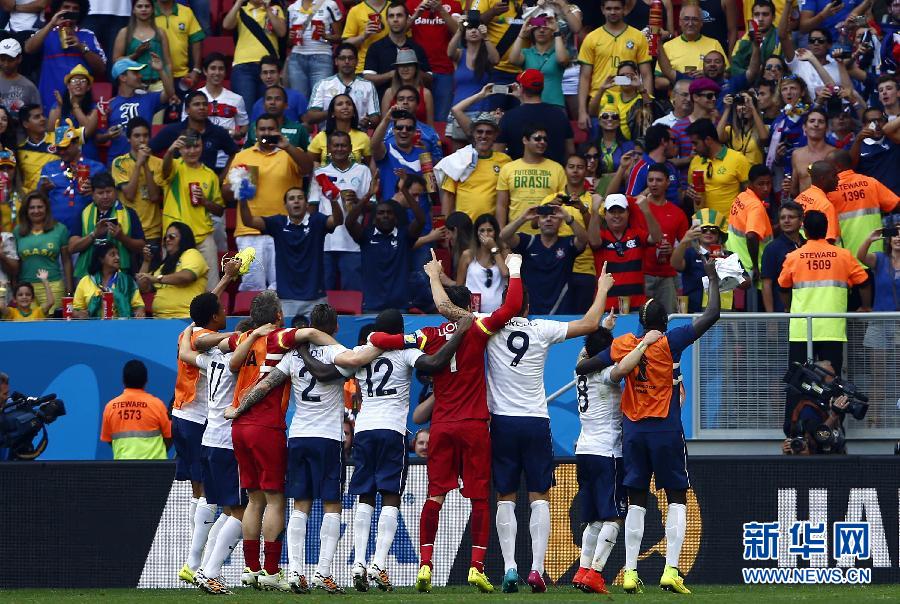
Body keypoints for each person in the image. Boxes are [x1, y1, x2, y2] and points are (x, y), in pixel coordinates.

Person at [367, 252, 524, 595]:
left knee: (435, 496)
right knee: (479, 499)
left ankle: (425, 563)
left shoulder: (428, 335)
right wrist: (514, 270)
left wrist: (374, 340)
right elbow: (513, 306)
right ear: (470, 305)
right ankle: (476, 568)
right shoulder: (478, 327)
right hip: (473, 425)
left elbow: (383, 340)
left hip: (441, 426)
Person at [577, 258, 723, 595]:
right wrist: (713, 280)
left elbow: (585, 367)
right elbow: (712, 314)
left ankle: (630, 572)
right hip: (665, 430)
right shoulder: (671, 342)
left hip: (633, 433)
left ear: (640, 323)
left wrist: (607, 351)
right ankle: (671, 570)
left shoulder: (624, 344)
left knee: (637, 501)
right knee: (676, 498)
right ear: (665, 322)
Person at [232, 303, 379, 593]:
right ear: (336, 327)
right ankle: (322, 572)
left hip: (298, 436)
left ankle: (296, 571)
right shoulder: (337, 351)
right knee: (331, 505)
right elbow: (342, 367)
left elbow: (264, 386)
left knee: (300, 504)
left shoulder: (291, 356)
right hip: (328, 438)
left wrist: (239, 408)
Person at [486, 267, 613, 593]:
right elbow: (590, 323)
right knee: (539, 495)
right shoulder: (541, 328)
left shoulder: (489, 326)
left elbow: (451, 313)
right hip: (535, 421)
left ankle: (509, 567)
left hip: (502, 421)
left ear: (504, 305)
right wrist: (601, 288)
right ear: (528, 307)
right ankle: (537, 570)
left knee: (505, 496)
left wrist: (436, 279)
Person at [222, 292, 339, 591]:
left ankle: (251, 569)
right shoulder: (278, 338)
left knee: (253, 499)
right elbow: (310, 333)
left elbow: (220, 345)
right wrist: (339, 350)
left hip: (239, 427)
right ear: (277, 316)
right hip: (265, 427)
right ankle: (272, 571)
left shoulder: (243, 338)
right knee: (274, 499)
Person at [349, 309, 472, 592]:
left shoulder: (359, 352)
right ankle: (379, 564)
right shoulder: (405, 352)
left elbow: (338, 367)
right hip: (392, 429)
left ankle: (358, 562)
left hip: (364, 429)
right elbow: (435, 362)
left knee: (365, 496)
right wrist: (459, 334)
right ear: (399, 331)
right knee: (391, 496)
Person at [571, 312, 662, 594]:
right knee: (615, 516)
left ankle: (583, 570)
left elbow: (585, 352)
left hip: (584, 451)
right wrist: (644, 344)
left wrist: (603, 329)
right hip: (607, 453)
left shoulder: (579, 371)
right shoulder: (604, 375)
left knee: (595, 518)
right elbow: (621, 369)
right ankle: (596, 573)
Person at [176, 319, 257, 596]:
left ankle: (201, 568)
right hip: (227, 443)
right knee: (241, 511)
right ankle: (209, 572)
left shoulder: (210, 359)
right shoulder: (238, 363)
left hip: (208, 440)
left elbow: (186, 352)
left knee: (223, 509)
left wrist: (189, 329)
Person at [779, 210, 869, 424]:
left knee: (797, 380)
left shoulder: (794, 256)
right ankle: (833, 428)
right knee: (833, 382)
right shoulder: (843, 255)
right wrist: (866, 307)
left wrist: (788, 308)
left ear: (804, 229)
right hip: (832, 329)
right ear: (827, 228)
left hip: (802, 330)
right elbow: (864, 281)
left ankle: (793, 430)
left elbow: (783, 287)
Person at [224, 113, 312, 292]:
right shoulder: (243, 156)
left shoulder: (291, 152)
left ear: (278, 130)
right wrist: (239, 184)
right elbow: (225, 193)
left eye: (271, 129)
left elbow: (307, 168)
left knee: (282, 285)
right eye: (262, 129)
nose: (266, 133)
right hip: (249, 231)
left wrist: (287, 146)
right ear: (255, 132)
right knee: (251, 286)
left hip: (284, 231)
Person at [238, 183, 343, 318]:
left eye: (300, 198)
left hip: (316, 299)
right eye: (292, 198)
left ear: (307, 204)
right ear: (285, 205)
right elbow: (249, 221)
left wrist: (333, 200)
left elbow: (337, 221)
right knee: (287, 333)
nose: (296, 201)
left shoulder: (317, 221)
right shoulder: (278, 223)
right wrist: (242, 199)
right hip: (286, 299)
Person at [344, 170, 425, 312]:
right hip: (372, 307)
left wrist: (404, 190)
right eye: (381, 213)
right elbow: (349, 222)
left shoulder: (404, 236)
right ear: (374, 219)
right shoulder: (366, 236)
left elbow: (421, 220)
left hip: (400, 307)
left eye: (389, 213)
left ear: (396, 218)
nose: (385, 216)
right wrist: (369, 194)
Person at [307, 129, 372, 292]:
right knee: (323, 294)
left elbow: (373, 207)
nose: (339, 149)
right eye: (335, 145)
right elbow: (312, 207)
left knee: (353, 294)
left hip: (352, 243)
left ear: (350, 148)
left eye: (343, 145)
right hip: (325, 243)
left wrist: (358, 200)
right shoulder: (320, 173)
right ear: (329, 148)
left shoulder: (363, 171)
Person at [577, 0, 653, 133]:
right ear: (602, 10)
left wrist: (647, 107)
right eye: (609, 8)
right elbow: (584, 77)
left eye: (617, 8)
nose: (613, 12)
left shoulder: (638, 37)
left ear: (624, 9)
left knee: (632, 145)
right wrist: (582, 111)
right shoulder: (591, 38)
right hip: (600, 101)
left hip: (631, 102)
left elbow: (646, 75)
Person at [160, 131, 224, 289]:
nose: (192, 151)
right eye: (187, 147)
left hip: (203, 237)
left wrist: (205, 201)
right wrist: (170, 150)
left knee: (212, 288)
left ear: (202, 146)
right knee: (173, 287)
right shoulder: (175, 166)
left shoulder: (210, 175)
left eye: (196, 146)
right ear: (180, 149)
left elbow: (219, 210)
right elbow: (165, 171)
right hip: (176, 238)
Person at [500, 203, 588, 314]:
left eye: (553, 216)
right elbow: (504, 236)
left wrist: (568, 217)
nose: (548, 219)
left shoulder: (567, 244)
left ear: (561, 222)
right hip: (532, 313)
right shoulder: (528, 242)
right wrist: (523, 218)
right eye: (544, 216)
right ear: (538, 222)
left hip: (561, 313)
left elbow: (584, 239)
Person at [23, 0, 106, 113]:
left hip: (80, 103)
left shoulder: (88, 35)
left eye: (75, 8)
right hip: (50, 99)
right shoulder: (47, 33)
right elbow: (28, 48)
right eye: (66, 7)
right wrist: (51, 24)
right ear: (58, 10)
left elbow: (101, 69)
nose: (70, 11)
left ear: (80, 12)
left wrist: (82, 48)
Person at [628, 163, 689, 315]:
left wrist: (673, 250)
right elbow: (609, 203)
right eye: (650, 180)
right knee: (639, 319)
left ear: (668, 182)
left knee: (668, 318)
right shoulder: (635, 206)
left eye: (659, 180)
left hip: (667, 276)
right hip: (640, 274)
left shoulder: (678, 213)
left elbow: (686, 249)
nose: (654, 184)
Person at [588, 193, 662, 311]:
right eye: (612, 212)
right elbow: (593, 242)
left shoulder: (637, 234)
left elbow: (657, 238)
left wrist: (646, 211)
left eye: (621, 211)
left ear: (628, 213)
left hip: (637, 305)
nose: (617, 216)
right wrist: (594, 210)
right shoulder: (601, 236)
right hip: (606, 307)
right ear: (605, 214)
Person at [67, 171, 145, 281]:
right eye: (100, 193)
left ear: (115, 192)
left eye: (109, 192)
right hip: (88, 275)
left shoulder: (129, 213)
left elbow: (141, 246)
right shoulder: (83, 213)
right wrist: (94, 234)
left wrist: (122, 237)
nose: (105, 196)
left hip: (120, 275)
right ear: (93, 195)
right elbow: (72, 247)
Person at [827, 149, 899, 265]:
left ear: (837, 167)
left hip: (848, 257)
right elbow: (895, 204)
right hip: (875, 254)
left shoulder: (830, 190)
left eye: (828, 166)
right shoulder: (870, 182)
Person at [38, 120, 105, 235]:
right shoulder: (48, 169)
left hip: (88, 232)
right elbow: (39, 199)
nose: (62, 152)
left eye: (65, 147)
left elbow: (110, 199)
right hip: (56, 234)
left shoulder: (97, 168)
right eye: (59, 148)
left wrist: (95, 192)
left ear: (76, 143)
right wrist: (43, 190)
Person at [495, 123, 567, 229]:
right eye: (537, 138)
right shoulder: (508, 168)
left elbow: (563, 204)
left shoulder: (557, 168)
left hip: (548, 233)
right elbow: (501, 205)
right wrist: (501, 233)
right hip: (515, 233)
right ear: (525, 140)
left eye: (545, 139)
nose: (542, 142)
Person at [441, 112, 510, 219]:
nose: (484, 136)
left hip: (490, 226)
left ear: (495, 135)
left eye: (489, 132)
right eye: (479, 131)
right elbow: (448, 195)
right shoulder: (458, 159)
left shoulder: (505, 161)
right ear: (473, 133)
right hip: (463, 225)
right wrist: (446, 224)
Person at [150, 90, 240, 174]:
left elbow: (236, 154)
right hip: (178, 181)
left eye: (205, 104)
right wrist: (159, 172)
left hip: (208, 182)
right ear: (187, 110)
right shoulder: (172, 130)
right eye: (197, 104)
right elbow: (149, 150)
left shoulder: (217, 132)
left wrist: (222, 177)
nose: (202, 107)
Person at [497, 69, 574, 166]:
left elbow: (498, 152)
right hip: (553, 173)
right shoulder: (559, 114)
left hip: (518, 174)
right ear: (542, 87)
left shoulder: (509, 117)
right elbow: (570, 151)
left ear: (521, 88)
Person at [222, 0, 286, 112]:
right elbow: (226, 25)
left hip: (268, 68)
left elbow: (281, 32)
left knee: (268, 110)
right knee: (246, 110)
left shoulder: (275, 9)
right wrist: (238, 3)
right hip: (243, 66)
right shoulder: (241, 10)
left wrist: (267, 9)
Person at [99, 360, 171, 460]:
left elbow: (108, 439)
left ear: (123, 380)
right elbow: (169, 436)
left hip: (123, 467)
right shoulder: (157, 405)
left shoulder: (110, 407)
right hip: (154, 467)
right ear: (146, 380)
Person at [135, 222, 208, 318]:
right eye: (166, 237)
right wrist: (146, 261)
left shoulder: (192, 253)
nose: (167, 240)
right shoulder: (164, 265)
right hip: (160, 319)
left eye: (172, 237)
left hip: (185, 317)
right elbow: (143, 287)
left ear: (183, 238)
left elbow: (187, 276)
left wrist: (156, 278)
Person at [111, 117, 164, 248]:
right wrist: (138, 164)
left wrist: (145, 164)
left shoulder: (159, 163)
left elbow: (154, 196)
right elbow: (129, 195)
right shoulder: (119, 163)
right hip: (128, 229)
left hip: (153, 231)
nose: (142, 140)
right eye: (137, 136)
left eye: (145, 136)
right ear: (128, 138)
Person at [14, 192, 72, 311]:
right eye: (32, 208)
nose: (36, 211)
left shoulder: (60, 229)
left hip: (53, 286)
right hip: (25, 290)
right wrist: (15, 287)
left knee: (52, 322)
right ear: (26, 210)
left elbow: (66, 261)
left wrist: (70, 290)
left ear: (46, 208)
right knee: (28, 322)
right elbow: (15, 263)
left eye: (40, 207)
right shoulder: (17, 231)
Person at [445, 20, 498, 147]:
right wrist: (459, 29)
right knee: (458, 155)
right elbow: (449, 53)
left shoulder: (486, 55)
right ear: (465, 33)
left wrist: (486, 37)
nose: (474, 31)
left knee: (480, 152)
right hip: (459, 110)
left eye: (477, 28)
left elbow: (496, 60)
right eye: (469, 28)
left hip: (481, 111)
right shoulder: (459, 54)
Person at [407, 0, 461, 122]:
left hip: (444, 69)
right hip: (419, 70)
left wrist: (441, 10)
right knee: (415, 116)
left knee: (441, 119)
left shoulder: (454, 4)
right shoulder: (411, 3)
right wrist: (417, 14)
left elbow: (458, 31)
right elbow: (401, 30)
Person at [726, 164, 775, 299]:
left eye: (768, 183)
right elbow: (751, 235)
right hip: (749, 268)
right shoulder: (756, 206)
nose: (766, 188)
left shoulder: (741, 197)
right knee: (753, 309)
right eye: (761, 184)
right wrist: (755, 267)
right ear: (751, 184)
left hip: (733, 259)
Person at [364, 3, 431, 101]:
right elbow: (367, 79)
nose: (395, 19)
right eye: (391, 16)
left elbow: (429, 79)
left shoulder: (416, 48)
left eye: (399, 15)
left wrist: (414, 72)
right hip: (383, 102)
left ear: (407, 19)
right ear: (387, 20)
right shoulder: (376, 47)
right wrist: (391, 74)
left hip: (414, 105)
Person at [670, 209, 732, 312]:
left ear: (719, 234)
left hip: (722, 312)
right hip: (694, 312)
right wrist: (685, 240)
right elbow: (675, 264)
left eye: (713, 230)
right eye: (704, 230)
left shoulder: (728, 256)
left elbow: (746, 282)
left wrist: (730, 271)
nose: (708, 232)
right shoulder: (690, 253)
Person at [686, 118, 751, 215]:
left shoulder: (738, 159)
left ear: (708, 140)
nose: (693, 148)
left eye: (695, 143)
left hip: (730, 222)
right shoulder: (695, 161)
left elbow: (749, 194)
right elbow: (691, 195)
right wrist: (689, 194)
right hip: (702, 221)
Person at [306, 43, 381, 127]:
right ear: (336, 61)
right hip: (329, 133)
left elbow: (375, 117)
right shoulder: (323, 84)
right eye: (342, 58)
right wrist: (334, 111)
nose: (347, 62)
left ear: (357, 61)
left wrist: (368, 122)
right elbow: (310, 117)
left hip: (358, 132)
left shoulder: (368, 85)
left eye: (350, 58)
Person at [656, 3, 727, 87]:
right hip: (678, 93)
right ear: (680, 22)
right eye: (686, 19)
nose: (690, 23)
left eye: (695, 19)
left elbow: (727, 74)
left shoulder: (714, 44)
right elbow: (658, 82)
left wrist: (708, 75)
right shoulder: (667, 46)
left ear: (701, 22)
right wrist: (681, 81)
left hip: (707, 92)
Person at [285, 0, 343, 100]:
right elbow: (289, 43)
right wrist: (291, 38)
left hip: (322, 57)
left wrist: (325, 36)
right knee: (299, 100)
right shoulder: (292, 8)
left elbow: (339, 37)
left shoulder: (329, 4)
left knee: (320, 99)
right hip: (296, 59)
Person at [508, 14, 569, 109]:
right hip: (530, 105)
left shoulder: (558, 52)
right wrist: (521, 34)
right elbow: (512, 60)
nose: (541, 30)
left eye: (546, 28)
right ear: (533, 31)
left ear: (552, 31)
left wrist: (557, 32)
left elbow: (562, 60)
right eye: (537, 27)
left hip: (554, 105)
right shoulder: (526, 53)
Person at [111, 0, 174, 91]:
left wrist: (171, 88)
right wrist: (136, 54)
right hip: (134, 85)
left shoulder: (160, 33)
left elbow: (168, 63)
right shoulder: (124, 32)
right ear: (133, 10)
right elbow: (116, 61)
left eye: (147, 6)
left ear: (153, 9)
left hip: (158, 83)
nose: (143, 9)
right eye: (139, 6)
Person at [71, 241, 144, 318]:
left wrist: (139, 312)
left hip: (121, 324)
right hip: (93, 325)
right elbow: (76, 309)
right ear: (101, 259)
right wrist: (79, 314)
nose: (117, 257)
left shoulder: (128, 281)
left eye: (118, 254)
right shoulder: (85, 281)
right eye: (112, 254)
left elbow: (139, 306)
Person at [193, 53, 250, 144]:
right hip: (200, 149)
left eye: (221, 69)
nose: (217, 73)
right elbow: (185, 126)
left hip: (227, 150)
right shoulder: (192, 97)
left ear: (225, 72)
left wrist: (238, 134)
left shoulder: (237, 99)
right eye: (213, 68)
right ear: (205, 71)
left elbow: (244, 125)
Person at [456, 214, 508, 313]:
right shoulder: (467, 255)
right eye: (482, 231)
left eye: (490, 230)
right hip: (473, 315)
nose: (486, 234)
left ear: (495, 232)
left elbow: (505, 273)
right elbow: (459, 287)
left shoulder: (504, 252)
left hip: (499, 314)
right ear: (476, 233)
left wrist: (494, 248)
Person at [761, 201, 805, 312]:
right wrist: (771, 317)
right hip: (782, 312)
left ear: (801, 221)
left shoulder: (807, 245)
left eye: (791, 217)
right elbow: (766, 284)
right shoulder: (772, 248)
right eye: (782, 218)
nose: (786, 221)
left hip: (806, 309)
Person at [306, 93, 372, 166]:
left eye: (349, 104)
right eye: (340, 104)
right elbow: (309, 163)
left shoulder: (363, 137)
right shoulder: (322, 136)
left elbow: (369, 165)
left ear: (354, 111)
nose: (345, 107)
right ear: (332, 113)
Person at [46, 67, 96, 161]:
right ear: (68, 86)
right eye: (74, 80)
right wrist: (60, 107)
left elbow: (88, 131)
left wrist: (74, 105)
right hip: (63, 154)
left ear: (88, 87)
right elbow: (50, 130)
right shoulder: (57, 105)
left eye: (83, 81)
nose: (78, 83)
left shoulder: (93, 108)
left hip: (87, 156)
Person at [153, 0, 205, 90]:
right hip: (156, 77)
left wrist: (196, 69)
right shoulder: (148, 12)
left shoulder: (186, 12)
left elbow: (196, 40)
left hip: (182, 76)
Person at [622, 124, 680, 203]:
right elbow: (629, 202)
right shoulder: (640, 168)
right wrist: (649, 191)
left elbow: (679, 197)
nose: (675, 145)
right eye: (673, 141)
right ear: (663, 141)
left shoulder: (671, 166)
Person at [379, 50, 434, 126]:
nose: (405, 69)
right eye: (401, 66)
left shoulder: (426, 93)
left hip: (421, 133)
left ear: (416, 68)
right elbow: (383, 124)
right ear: (397, 69)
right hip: (394, 133)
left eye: (409, 65)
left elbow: (430, 126)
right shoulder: (389, 93)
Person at [852, 108, 900, 196]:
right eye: (871, 121)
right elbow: (851, 167)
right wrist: (858, 141)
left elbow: (888, 129)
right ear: (864, 125)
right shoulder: (857, 145)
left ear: (885, 122)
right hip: (874, 197)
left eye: (880, 120)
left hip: (897, 196)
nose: (876, 124)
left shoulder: (894, 139)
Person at [245, 85, 310, 149]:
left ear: (286, 105)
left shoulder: (299, 129)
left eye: (278, 99)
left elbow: (308, 155)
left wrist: (288, 147)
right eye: (269, 99)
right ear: (263, 105)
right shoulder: (253, 127)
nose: (272, 102)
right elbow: (246, 152)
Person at [731, 0, 783, 80]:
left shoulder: (781, 38)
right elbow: (734, 68)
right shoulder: (743, 40)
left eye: (765, 14)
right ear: (752, 17)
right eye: (756, 14)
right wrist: (749, 73)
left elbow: (785, 68)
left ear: (773, 17)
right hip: (746, 83)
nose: (760, 19)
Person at [249, 56, 309, 124]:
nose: (268, 76)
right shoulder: (257, 105)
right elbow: (254, 129)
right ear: (260, 76)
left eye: (272, 72)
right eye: (265, 73)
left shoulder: (297, 97)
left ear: (280, 73)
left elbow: (308, 125)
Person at [717, 90, 770, 168]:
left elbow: (764, 138)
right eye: (740, 104)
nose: (744, 107)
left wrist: (752, 107)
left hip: (754, 173)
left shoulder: (762, 128)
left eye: (747, 102)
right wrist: (727, 108)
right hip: (736, 173)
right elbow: (718, 137)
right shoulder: (730, 130)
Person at [790, 109, 835, 197]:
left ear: (827, 128)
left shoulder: (834, 154)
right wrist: (788, 186)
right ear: (804, 127)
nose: (816, 124)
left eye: (821, 122)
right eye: (812, 121)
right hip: (803, 204)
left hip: (828, 204)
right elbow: (794, 191)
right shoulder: (796, 155)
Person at [794, 160, 841, 242]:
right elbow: (829, 240)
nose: (838, 178)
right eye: (834, 176)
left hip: (798, 247)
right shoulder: (825, 205)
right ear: (823, 179)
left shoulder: (801, 196)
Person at [341, 0, 390, 75]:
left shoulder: (394, 9)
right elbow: (346, 44)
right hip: (364, 67)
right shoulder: (355, 11)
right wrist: (364, 36)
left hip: (391, 64)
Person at [15, 104, 55, 193]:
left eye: (42, 115)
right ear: (26, 124)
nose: (43, 119)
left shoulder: (59, 138)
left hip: (59, 195)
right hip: (33, 198)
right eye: (37, 117)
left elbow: (84, 132)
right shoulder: (19, 151)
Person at [0, 39, 40, 113]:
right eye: (2, 60)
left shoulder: (29, 87)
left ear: (19, 59)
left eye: (10, 60)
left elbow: (36, 114)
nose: (6, 64)